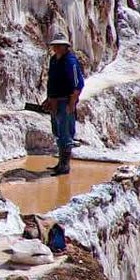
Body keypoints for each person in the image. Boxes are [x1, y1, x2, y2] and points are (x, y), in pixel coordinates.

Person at [43, 36, 84, 176]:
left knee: (65, 133)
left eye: (59, 46)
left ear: (66, 47)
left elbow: (78, 84)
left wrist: (72, 102)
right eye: (55, 46)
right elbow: (51, 81)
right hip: (55, 101)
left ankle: (65, 166)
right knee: (58, 131)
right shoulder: (54, 60)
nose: (56, 48)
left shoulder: (70, 61)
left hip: (66, 101)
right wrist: (49, 98)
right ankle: (60, 163)